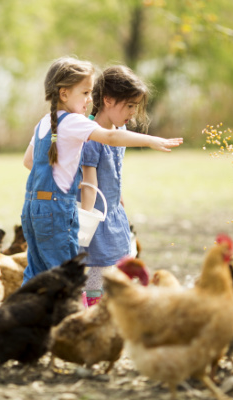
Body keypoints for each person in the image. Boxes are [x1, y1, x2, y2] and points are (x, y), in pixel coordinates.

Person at [21, 56, 182, 285]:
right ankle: (76, 313)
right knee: (67, 279)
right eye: (85, 93)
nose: (90, 98)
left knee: (36, 273)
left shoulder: (45, 121)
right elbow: (110, 137)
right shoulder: (75, 122)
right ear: (64, 94)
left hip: (33, 208)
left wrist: (64, 178)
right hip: (57, 211)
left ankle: (23, 313)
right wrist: (150, 140)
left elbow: (29, 162)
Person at [78, 65, 149, 306]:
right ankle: (92, 313)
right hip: (96, 218)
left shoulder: (121, 131)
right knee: (96, 271)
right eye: (129, 106)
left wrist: (118, 197)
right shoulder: (91, 138)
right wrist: (84, 226)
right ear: (108, 100)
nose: (133, 112)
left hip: (114, 212)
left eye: (135, 107)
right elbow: (89, 185)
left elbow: (114, 171)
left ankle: (112, 312)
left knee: (118, 267)